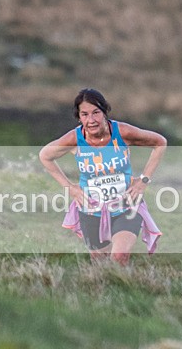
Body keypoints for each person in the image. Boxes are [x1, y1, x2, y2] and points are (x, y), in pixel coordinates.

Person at [39, 88, 167, 265]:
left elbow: (160, 142)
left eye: (96, 113)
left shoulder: (122, 132)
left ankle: (124, 281)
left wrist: (143, 181)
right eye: (84, 114)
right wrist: (70, 188)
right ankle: (111, 283)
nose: (91, 120)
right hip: (91, 208)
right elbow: (45, 156)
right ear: (79, 117)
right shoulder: (75, 139)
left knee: (119, 257)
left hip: (126, 205)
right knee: (100, 263)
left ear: (105, 112)